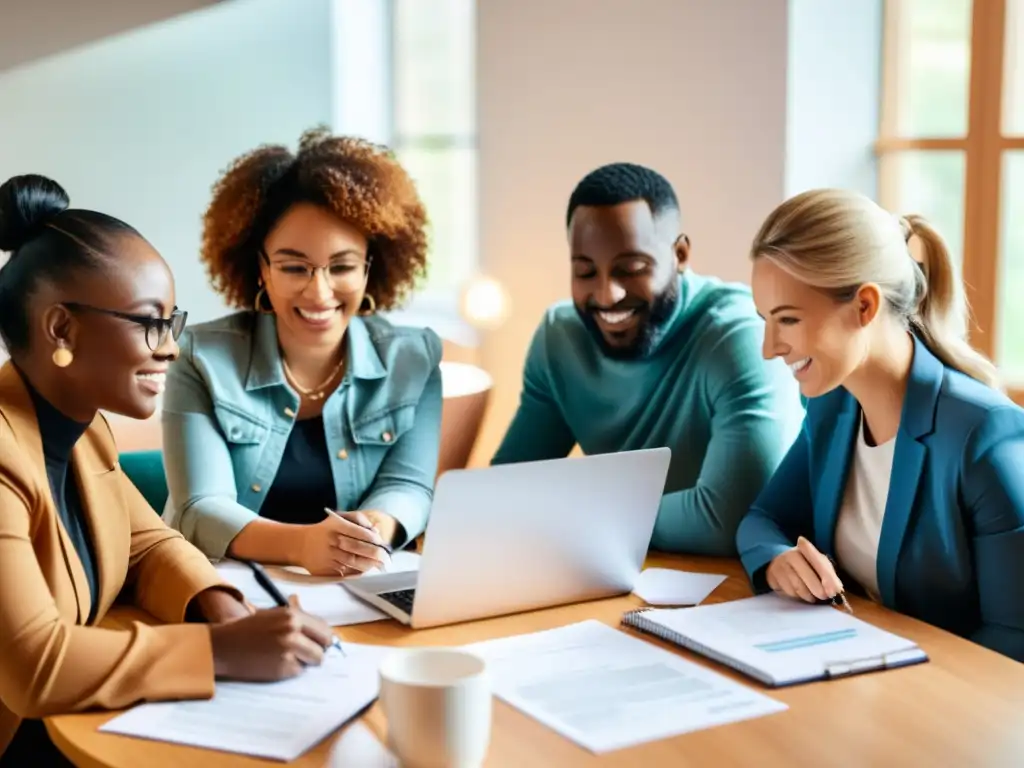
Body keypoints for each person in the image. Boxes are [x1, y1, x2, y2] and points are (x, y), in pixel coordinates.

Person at [0, 174, 335, 764]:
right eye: (149, 322)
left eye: (171, 322)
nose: (172, 348)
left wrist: (219, 604)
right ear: (61, 328)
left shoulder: (82, 427)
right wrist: (219, 653)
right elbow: (33, 667)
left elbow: (146, 543)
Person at [736, 188, 1024, 662]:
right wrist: (775, 561)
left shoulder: (984, 437)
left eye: (787, 320)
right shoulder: (832, 409)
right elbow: (764, 520)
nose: (770, 348)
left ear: (865, 307)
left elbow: (1013, 640)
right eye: (765, 320)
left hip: (951, 714)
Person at [161, 129, 442, 576]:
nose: (320, 291)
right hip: (218, 591)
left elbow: (408, 485)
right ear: (260, 269)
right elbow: (200, 507)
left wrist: (370, 531)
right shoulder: (199, 357)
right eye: (294, 267)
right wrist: (303, 546)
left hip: (353, 592)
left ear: (371, 267)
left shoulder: (415, 359)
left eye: (343, 266)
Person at [491, 163, 804, 556]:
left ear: (680, 254)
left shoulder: (738, 335)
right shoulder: (561, 336)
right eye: (585, 272)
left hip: (737, 586)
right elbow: (504, 491)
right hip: (621, 570)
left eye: (632, 269)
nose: (607, 295)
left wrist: (571, 510)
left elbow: (726, 520)